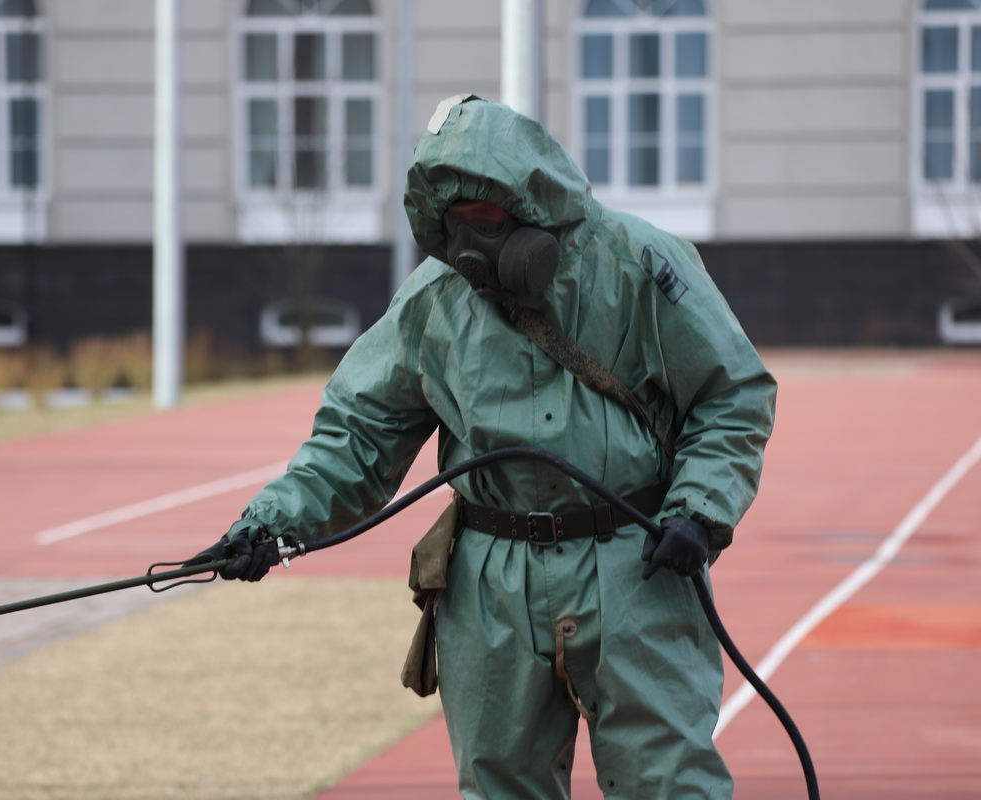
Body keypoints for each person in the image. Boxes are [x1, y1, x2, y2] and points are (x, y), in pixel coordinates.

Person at [205, 95, 776, 799]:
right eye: (456, 228)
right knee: (500, 789)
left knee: (668, 784)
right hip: (489, 584)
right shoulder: (433, 302)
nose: (472, 250)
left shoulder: (641, 265)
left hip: (638, 566)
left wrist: (700, 509)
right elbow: (357, 436)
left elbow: (732, 394)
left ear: (535, 206)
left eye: (489, 224)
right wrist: (270, 523)